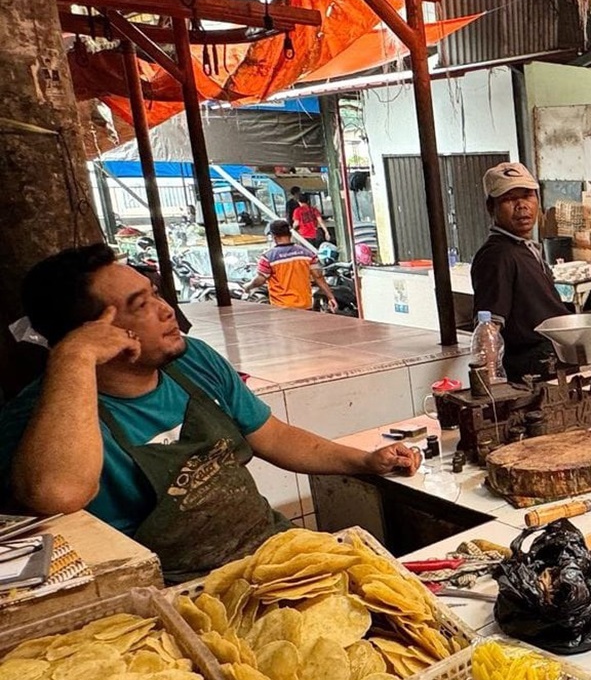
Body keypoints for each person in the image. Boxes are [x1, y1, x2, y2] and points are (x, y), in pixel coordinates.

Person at [0, 245, 422, 582]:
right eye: (139, 305)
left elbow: (272, 436)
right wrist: (73, 356)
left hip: (270, 553)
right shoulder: (42, 418)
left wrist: (363, 461)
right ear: (94, 333)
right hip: (171, 590)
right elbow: (57, 494)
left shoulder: (193, 362)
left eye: (155, 293)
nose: (167, 310)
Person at [470, 162, 571, 381]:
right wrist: (491, 382)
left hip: (555, 362)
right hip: (530, 372)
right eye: (508, 199)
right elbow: (489, 326)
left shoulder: (524, 247)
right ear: (491, 207)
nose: (522, 206)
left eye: (527, 196)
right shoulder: (496, 256)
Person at [246, 220, 337, 312]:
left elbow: (261, 279)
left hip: (282, 307)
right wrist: (331, 297)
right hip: (306, 306)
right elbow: (318, 276)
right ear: (290, 234)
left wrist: (249, 286)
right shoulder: (307, 254)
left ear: (274, 236)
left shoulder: (268, 257)